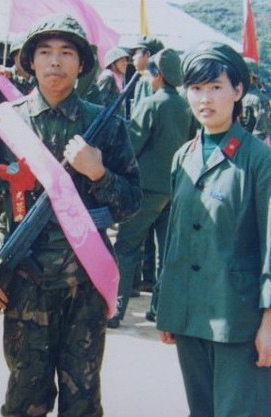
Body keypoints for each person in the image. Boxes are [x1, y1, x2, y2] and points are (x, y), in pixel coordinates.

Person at [0, 14, 141, 417]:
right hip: (24, 283)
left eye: (66, 52)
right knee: (26, 398)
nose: (55, 61)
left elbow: (130, 204)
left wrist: (100, 173)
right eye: (45, 52)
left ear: (81, 63)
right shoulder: (6, 124)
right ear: (30, 61)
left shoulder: (105, 125)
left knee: (83, 399)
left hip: (85, 285)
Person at [156, 42, 271, 416]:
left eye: (216, 87)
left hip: (238, 320)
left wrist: (269, 322)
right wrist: (167, 306)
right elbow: (175, 238)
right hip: (191, 316)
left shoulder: (259, 160)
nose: (205, 99)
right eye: (196, 88)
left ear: (237, 91)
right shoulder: (183, 156)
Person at [109, 48, 195, 328]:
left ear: (157, 76)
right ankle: (159, 310)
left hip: (145, 189)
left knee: (126, 247)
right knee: (165, 252)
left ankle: (115, 310)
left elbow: (132, 146)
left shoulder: (151, 104)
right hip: (175, 187)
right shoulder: (186, 105)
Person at [0, 36, 35, 106]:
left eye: (31, 54)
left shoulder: (41, 82)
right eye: (23, 54)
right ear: (14, 56)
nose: (27, 58)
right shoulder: (0, 82)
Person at [241, 57, 271, 142]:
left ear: (252, 75)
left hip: (250, 144)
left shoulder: (259, 99)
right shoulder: (236, 94)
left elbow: (261, 131)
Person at [97, 47, 129, 116]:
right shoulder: (108, 77)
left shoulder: (119, 78)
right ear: (112, 64)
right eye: (122, 60)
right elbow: (99, 102)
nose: (125, 63)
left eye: (126, 60)